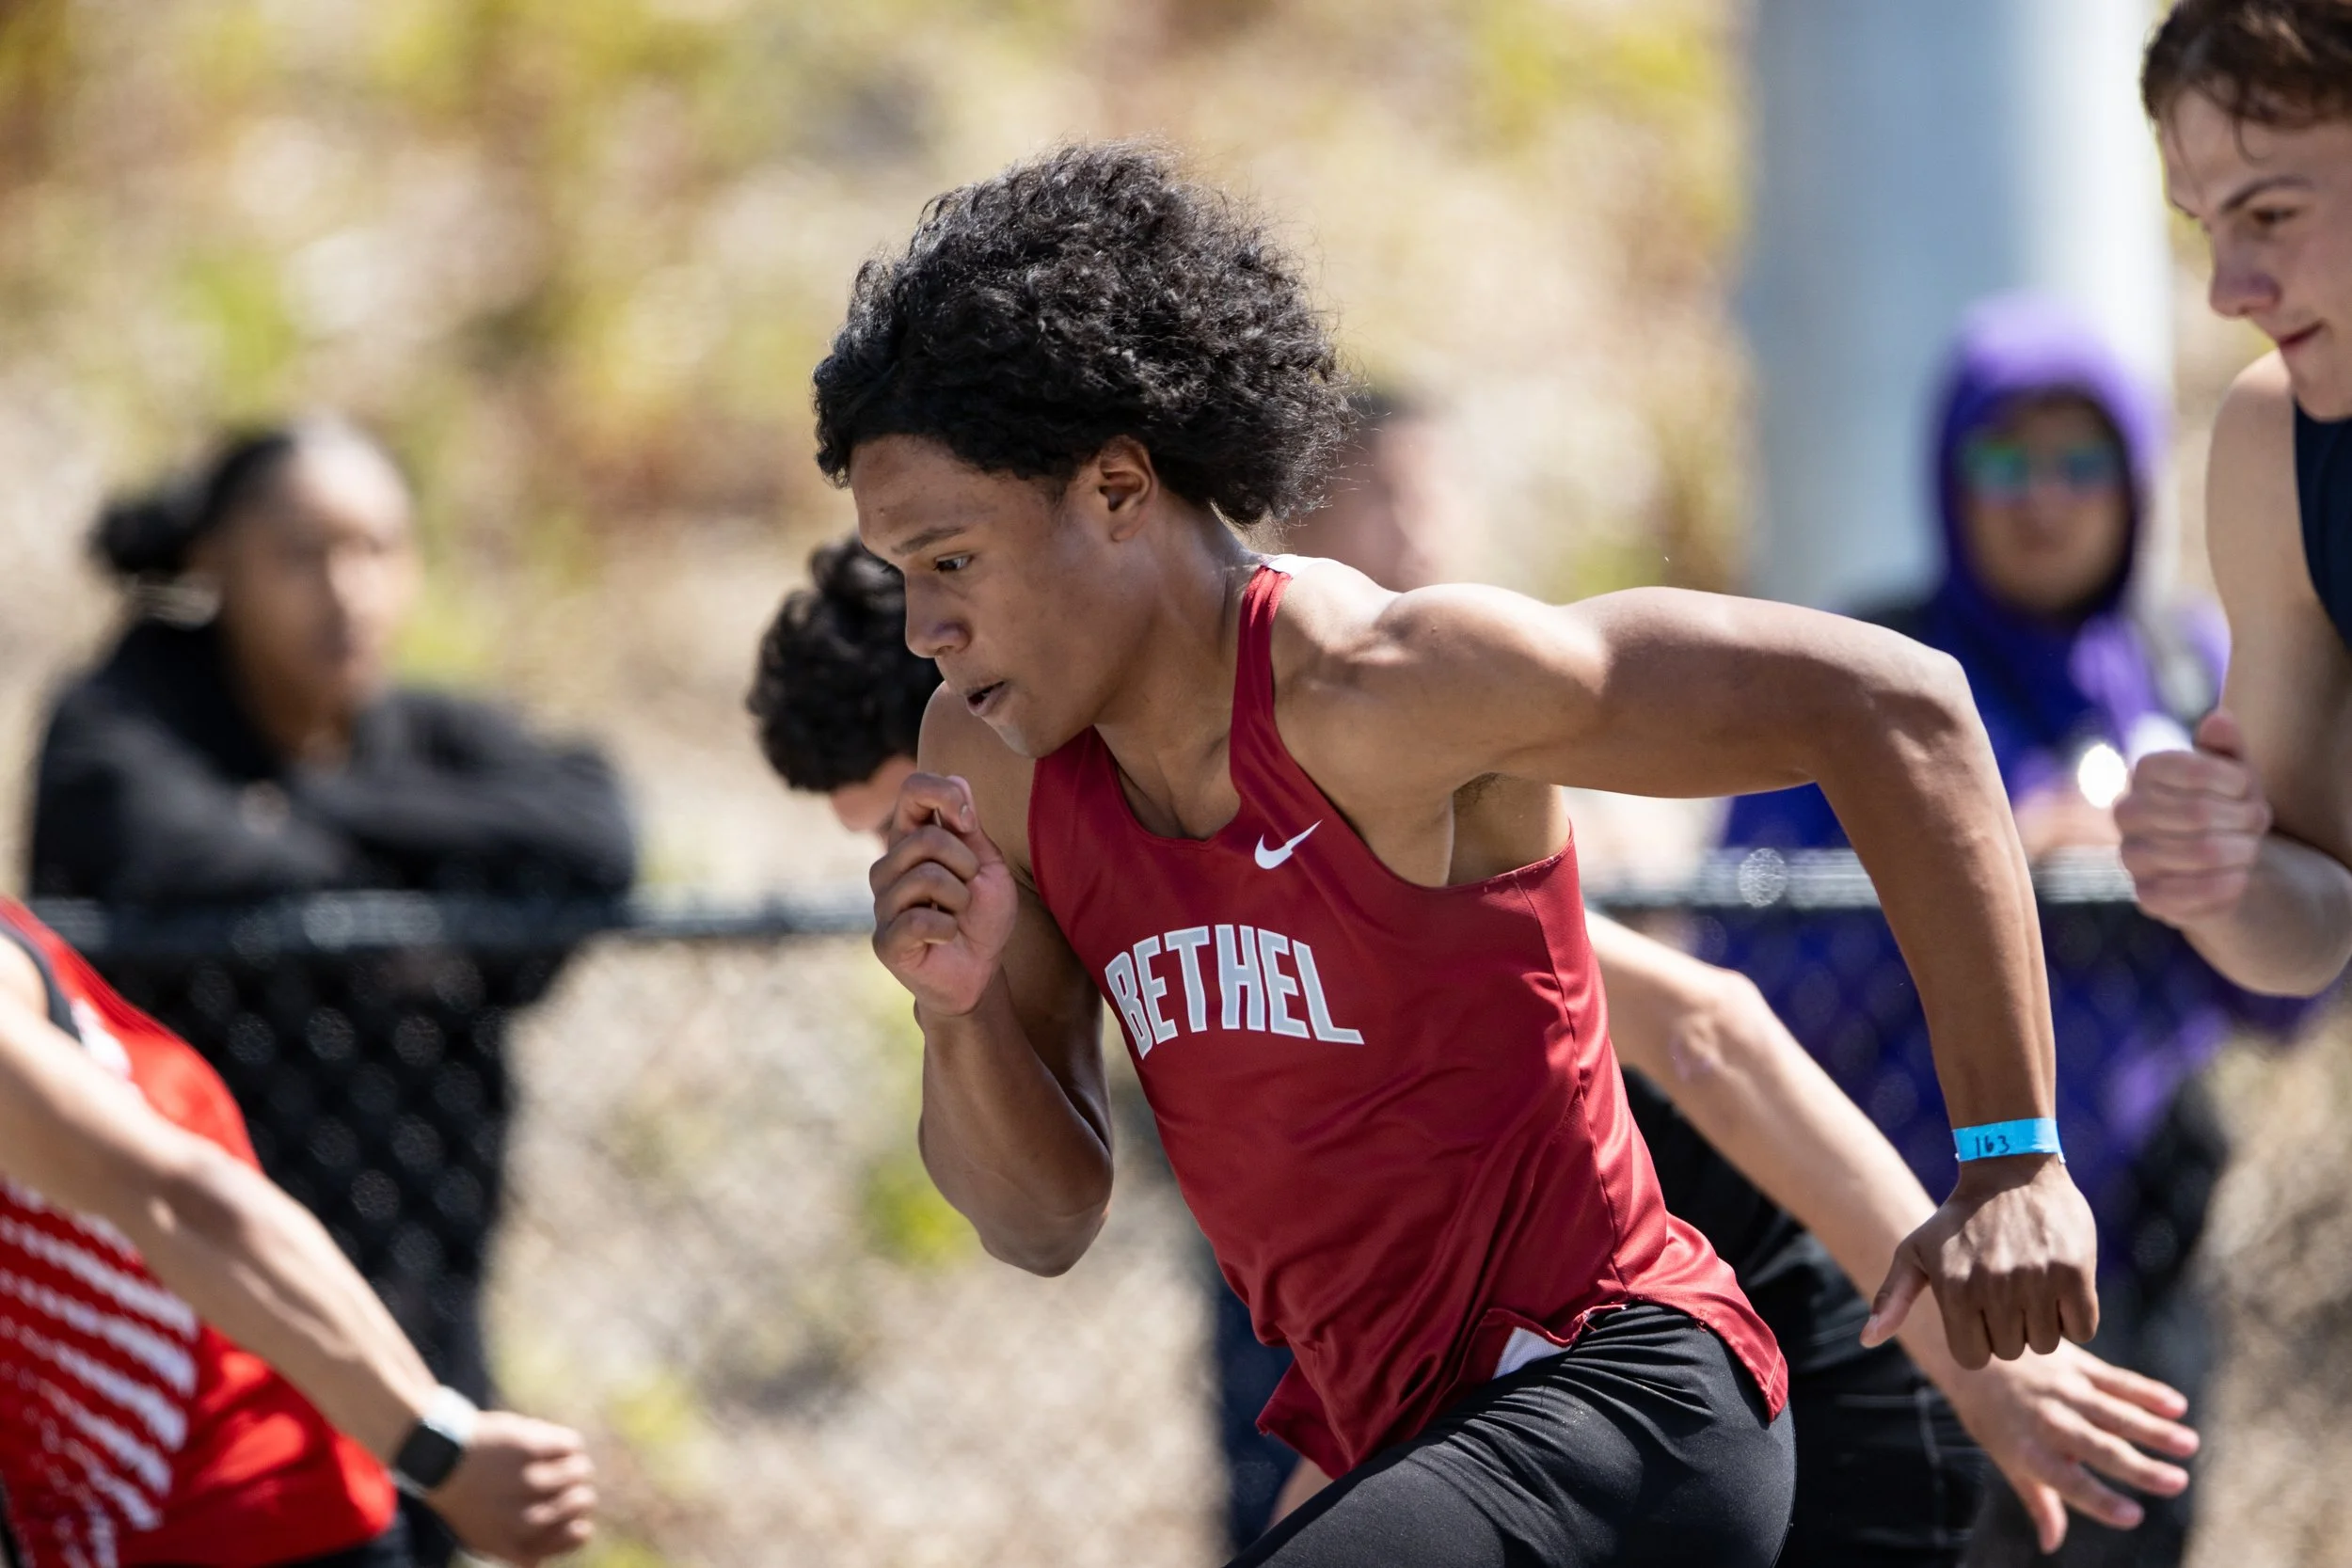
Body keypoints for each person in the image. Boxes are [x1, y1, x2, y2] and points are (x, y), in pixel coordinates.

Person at [817, 144, 2102, 1567]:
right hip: (1399, 1436)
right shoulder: (992, 758)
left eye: (950, 560)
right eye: (900, 577)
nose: (925, 627)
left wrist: (2010, 1158)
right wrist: (959, 1011)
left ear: (1118, 487)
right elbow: (1045, 1220)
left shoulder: (1385, 686)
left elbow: (1897, 706)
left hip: (1625, 1393)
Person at [1718, 293, 2309, 1566]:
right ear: (1949, 474)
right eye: (2002, 459)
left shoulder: (2190, 670)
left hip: (2131, 1257)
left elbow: (2290, 994)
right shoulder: (1860, 676)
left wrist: (2188, 872)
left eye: (2080, 460)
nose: (2043, 498)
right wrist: (1988, 866)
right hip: (1884, 1265)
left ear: (2135, 476)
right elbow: (1752, 955)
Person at [27, 419, 637, 1565]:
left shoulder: (419, 732)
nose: (344, 588)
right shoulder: (131, 710)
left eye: (375, 548)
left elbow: (595, 829)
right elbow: (172, 849)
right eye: (300, 552)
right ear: (218, 559)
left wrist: (311, 810)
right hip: (204, 1297)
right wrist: (423, 900)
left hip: (423, 1263)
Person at [0, 895, 595, 1567]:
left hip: (262, 1506)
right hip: (189, 1521)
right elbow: (185, 1205)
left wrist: (433, 1442)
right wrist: (437, 1445)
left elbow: (182, 1203)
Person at [2120, 0, 2352, 997]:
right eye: (2207, 226)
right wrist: (2220, 877)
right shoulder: (2275, 444)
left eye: (2271, 215)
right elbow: (2321, 914)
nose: (2227, 290)